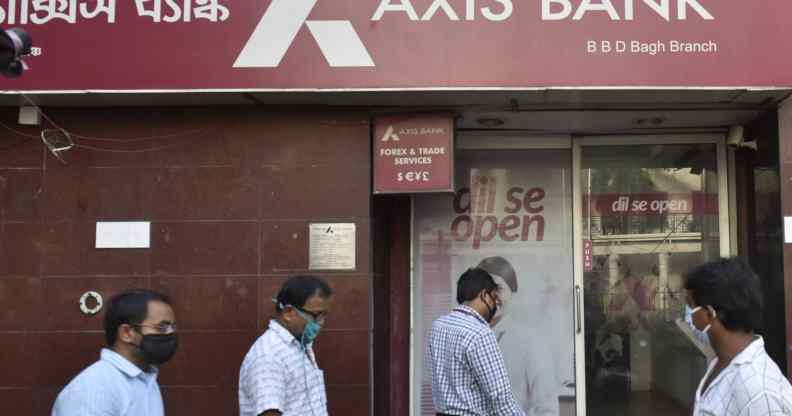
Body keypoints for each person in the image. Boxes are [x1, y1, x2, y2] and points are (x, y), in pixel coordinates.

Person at [684, 257, 792, 416]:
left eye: (690, 306)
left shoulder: (759, 393)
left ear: (709, 314)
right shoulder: (722, 362)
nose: (688, 315)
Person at [52, 289, 178, 416]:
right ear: (127, 333)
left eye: (173, 327)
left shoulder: (147, 379)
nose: (170, 333)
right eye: (162, 327)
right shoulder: (95, 389)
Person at [429, 267, 525, 416]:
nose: (495, 304)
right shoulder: (480, 333)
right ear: (483, 295)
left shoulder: (438, 326)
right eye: (493, 297)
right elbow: (500, 397)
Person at [239, 275, 333, 416]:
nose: (320, 322)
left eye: (324, 315)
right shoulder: (268, 356)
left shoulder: (300, 344)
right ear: (289, 312)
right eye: (316, 315)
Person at [477, 256, 559, 416]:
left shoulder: (531, 342)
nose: (491, 296)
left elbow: (547, 409)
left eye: (498, 288)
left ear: (512, 292)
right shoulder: (465, 338)